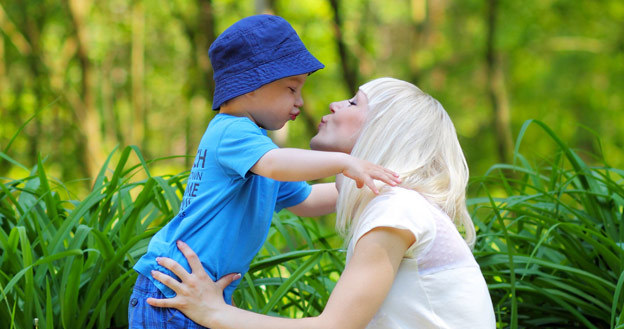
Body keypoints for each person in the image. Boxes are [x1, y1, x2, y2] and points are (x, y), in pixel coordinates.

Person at [146, 77, 497, 328]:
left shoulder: (397, 211)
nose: (334, 104)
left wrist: (215, 313)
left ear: (384, 129)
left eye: (355, 102)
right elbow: (323, 194)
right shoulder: (398, 205)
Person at [128, 15, 401, 328]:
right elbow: (277, 163)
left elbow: (307, 199)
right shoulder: (233, 133)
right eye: (291, 88)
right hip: (173, 288)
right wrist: (344, 163)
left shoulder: (256, 148)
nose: (299, 102)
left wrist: (374, 184)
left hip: (198, 290)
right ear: (250, 85)